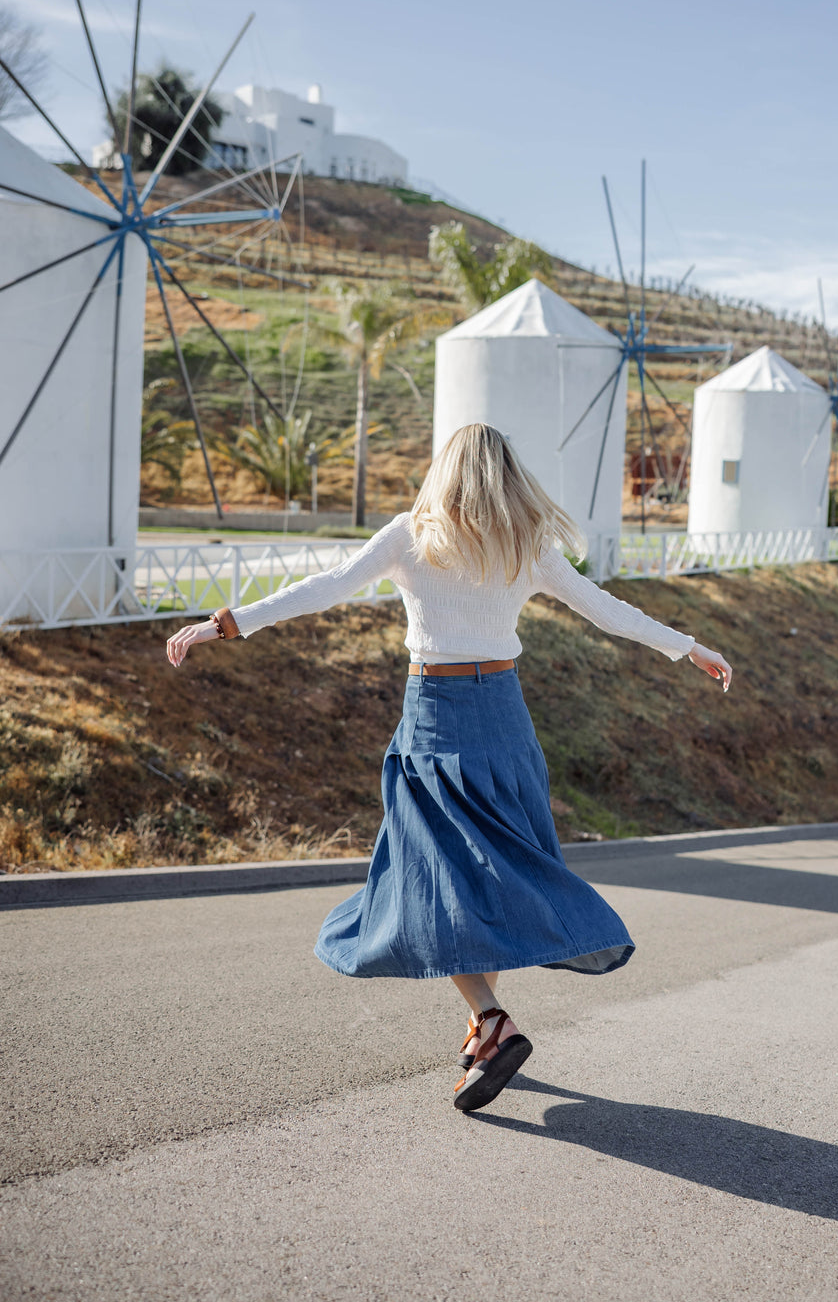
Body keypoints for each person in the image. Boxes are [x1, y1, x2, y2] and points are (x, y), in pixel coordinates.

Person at [165, 423, 732, 1113]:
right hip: (503, 719)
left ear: (444, 471)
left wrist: (224, 623)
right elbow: (605, 611)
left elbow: (325, 587)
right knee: (482, 874)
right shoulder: (526, 546)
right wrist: (689, 646)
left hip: (436, 716)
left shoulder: (413, 533)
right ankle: (482, 1028)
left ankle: (492, 1019)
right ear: (506, 474)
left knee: (431, 876)